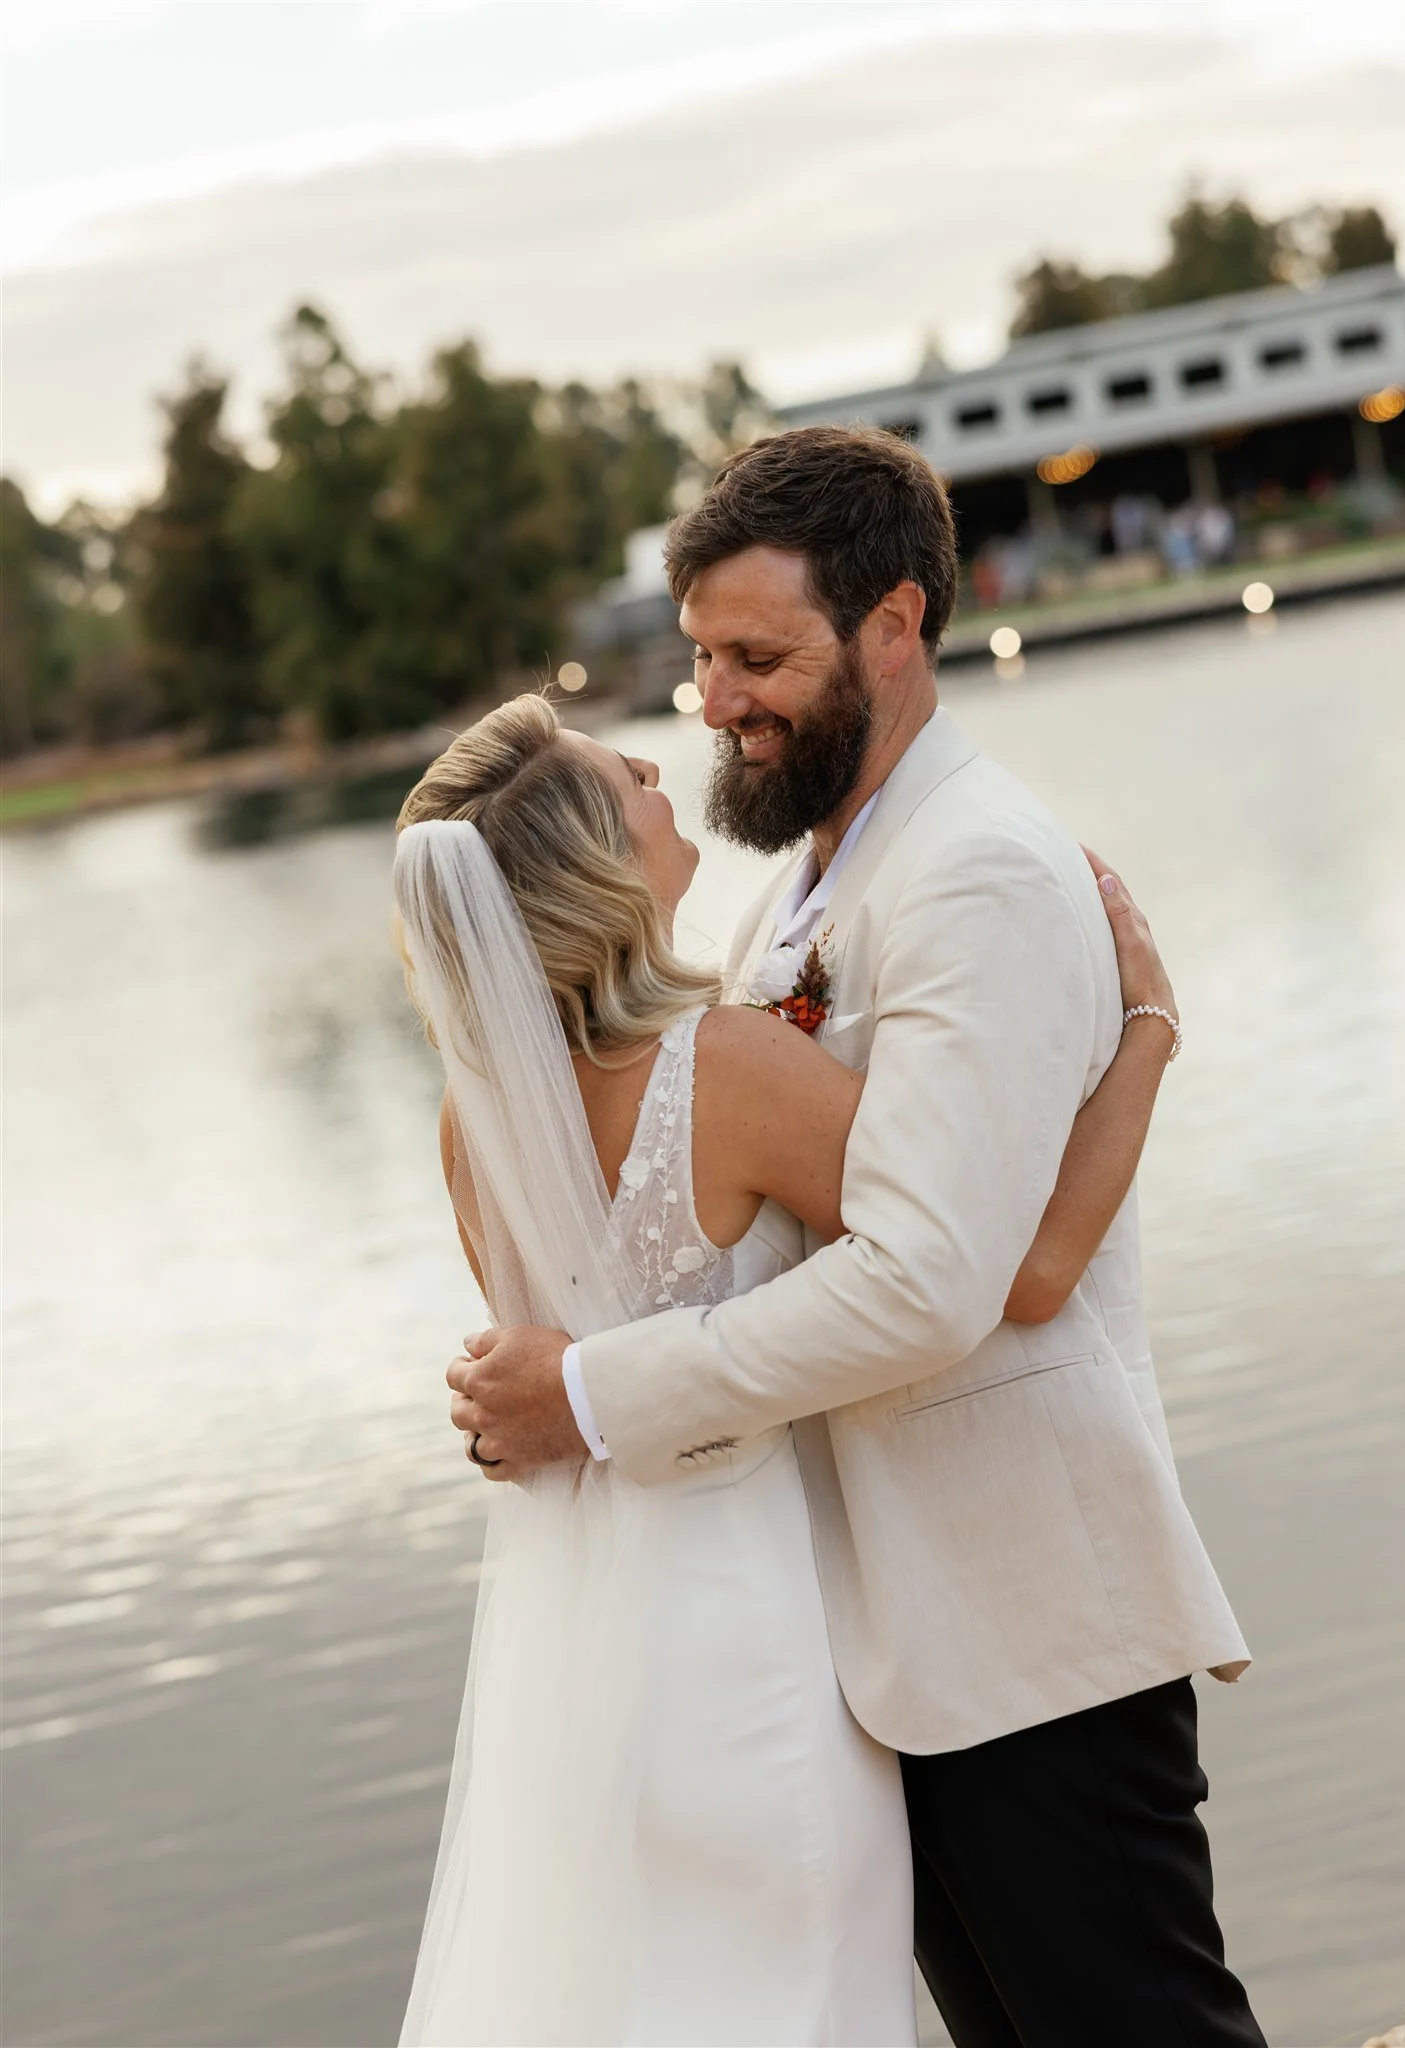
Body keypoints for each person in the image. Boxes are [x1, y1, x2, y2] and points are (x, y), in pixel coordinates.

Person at [449, 425, 1264, 2048]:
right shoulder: (788, 894)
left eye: (761, 656)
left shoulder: (974, 874)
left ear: (895, 626)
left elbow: (936, 1279)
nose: (718, 704)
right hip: (878, 1644)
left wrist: (599, 1394)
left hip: (1024, 1621)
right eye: (699, 661)